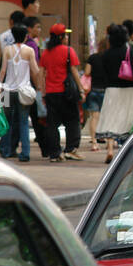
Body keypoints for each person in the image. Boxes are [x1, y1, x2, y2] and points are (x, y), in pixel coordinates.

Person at [96, 23, 133, 163]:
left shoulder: (106, 54)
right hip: (129, 91)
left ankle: (110, 150)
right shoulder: (129, 52)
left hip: (112, 90)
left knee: (111, 118)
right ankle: (125, 153)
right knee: (127, 120)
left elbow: (102, 73)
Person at [41, 22, 85, 162]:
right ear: (60, 37)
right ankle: (70, 149)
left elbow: (42, 74)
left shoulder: (46, 53)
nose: (67, 37)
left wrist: (43, 93)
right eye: (65, 35)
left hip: (51, 93)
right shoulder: (68, 51)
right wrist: (81, 89)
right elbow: (74, 71)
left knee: (52, 124)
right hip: (67, 93)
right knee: (72, 121)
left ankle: (55, 153)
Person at [0, 22, 42, 163]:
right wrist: (39, 86)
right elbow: (35, 71)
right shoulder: (29, 51)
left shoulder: (7, 50)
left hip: (7, 90)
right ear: (25, 36)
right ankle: (25, 153)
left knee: (6, 121)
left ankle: (5, 150)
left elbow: (3, 70)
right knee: (23, 122)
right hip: (24, 90)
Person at [82, 35, 109, 149]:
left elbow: (87, 72)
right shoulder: (110, 58)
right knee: (106, 117)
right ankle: (108, 142)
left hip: (94, 90)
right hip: (107, 91)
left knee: (94, 117)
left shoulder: (93, 57)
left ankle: (94, 142)